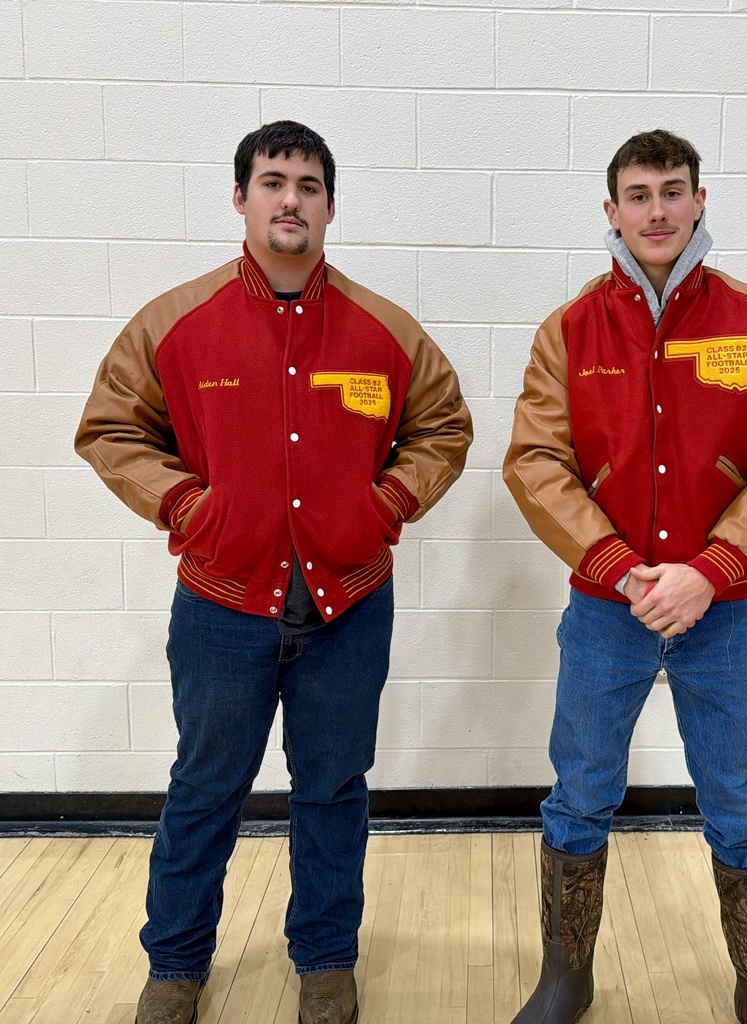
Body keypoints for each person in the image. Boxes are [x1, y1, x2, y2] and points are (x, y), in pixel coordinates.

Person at [75, 121, 472, 1024]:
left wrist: (385, 506)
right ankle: (174, 966)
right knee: (205, 788)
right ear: (242, 197)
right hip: (222, 605)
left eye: (307, 184)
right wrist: (187, 506)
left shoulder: (385, 330)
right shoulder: (173, 323)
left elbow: (444, 428)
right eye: (271, 181)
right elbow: (110, 429)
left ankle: (326, 961)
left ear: (331, 204)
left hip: (349, 604)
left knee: (332, 789)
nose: (289, 198)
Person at [502, 129, 747, 1024]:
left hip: (720, 615)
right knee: (579, 795)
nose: (657, 210)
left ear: (699, 202)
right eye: (638, 195)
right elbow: (536, 462)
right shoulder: (568, 331)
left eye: (673, 191)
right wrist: (617, 570)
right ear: (610, 211)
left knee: (737, 800)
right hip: (606, 612)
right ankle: (565, 978)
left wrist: (710, 571)